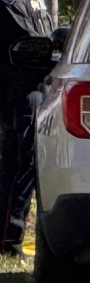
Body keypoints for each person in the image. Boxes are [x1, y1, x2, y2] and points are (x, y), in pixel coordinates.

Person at [0, 0, 52, 255]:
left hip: (40, 90)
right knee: (19, 165)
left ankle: (14, 237)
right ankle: (8, 241)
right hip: (17, 92)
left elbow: (48, 41)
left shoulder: (35, 3)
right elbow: (26, 44)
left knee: (29, 167)